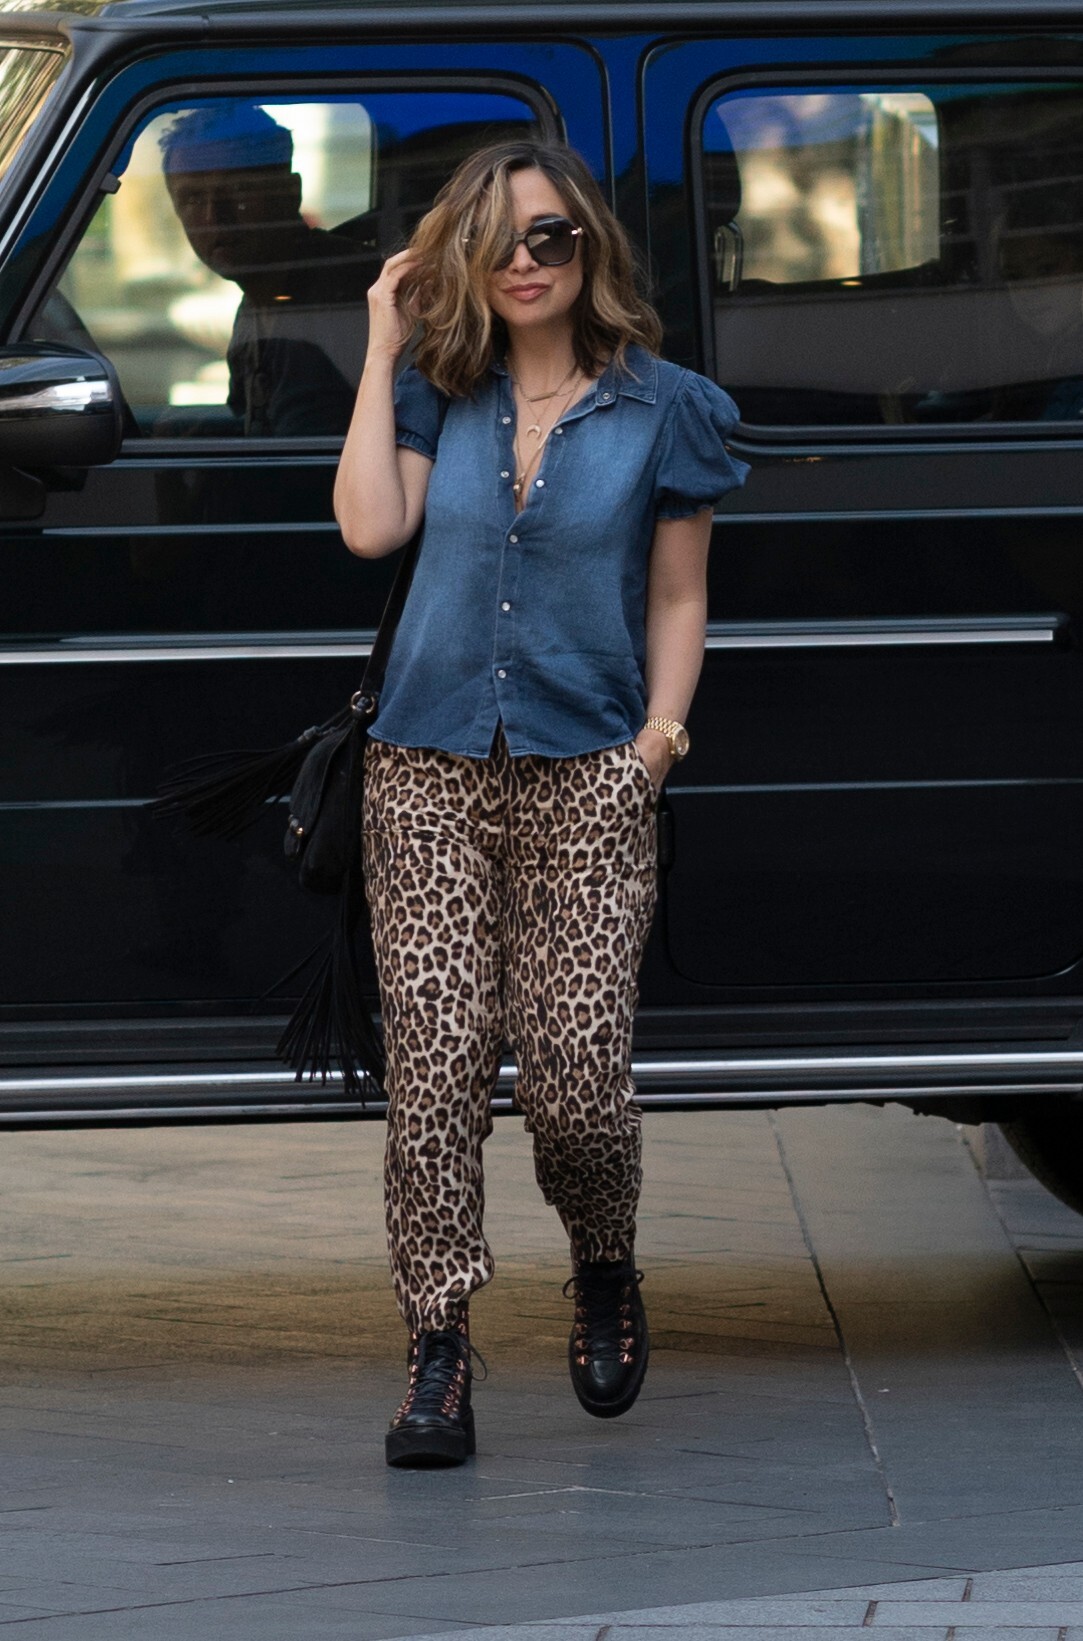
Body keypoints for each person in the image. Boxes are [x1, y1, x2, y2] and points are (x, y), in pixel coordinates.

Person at [334, 138, 748, 1468]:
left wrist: (656, 747)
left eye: (550, 236)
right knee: (434, 1072)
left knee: (576, 1085)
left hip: (589, 777)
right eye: (499, 240)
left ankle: (603, 1259)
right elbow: (368, 529)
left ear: (588, 250)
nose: (524, 260)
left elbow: (677, 593)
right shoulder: (436, 391)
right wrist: (384, 345)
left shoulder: (665, 408)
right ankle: (437, 1347)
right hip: (426, 771)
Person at [159, 102, 374, 436]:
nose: (214, 217)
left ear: (290, 193)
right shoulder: (261, 297)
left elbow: (306, 452)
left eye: (239, 190)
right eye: (192, 199)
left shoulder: (339, 302)